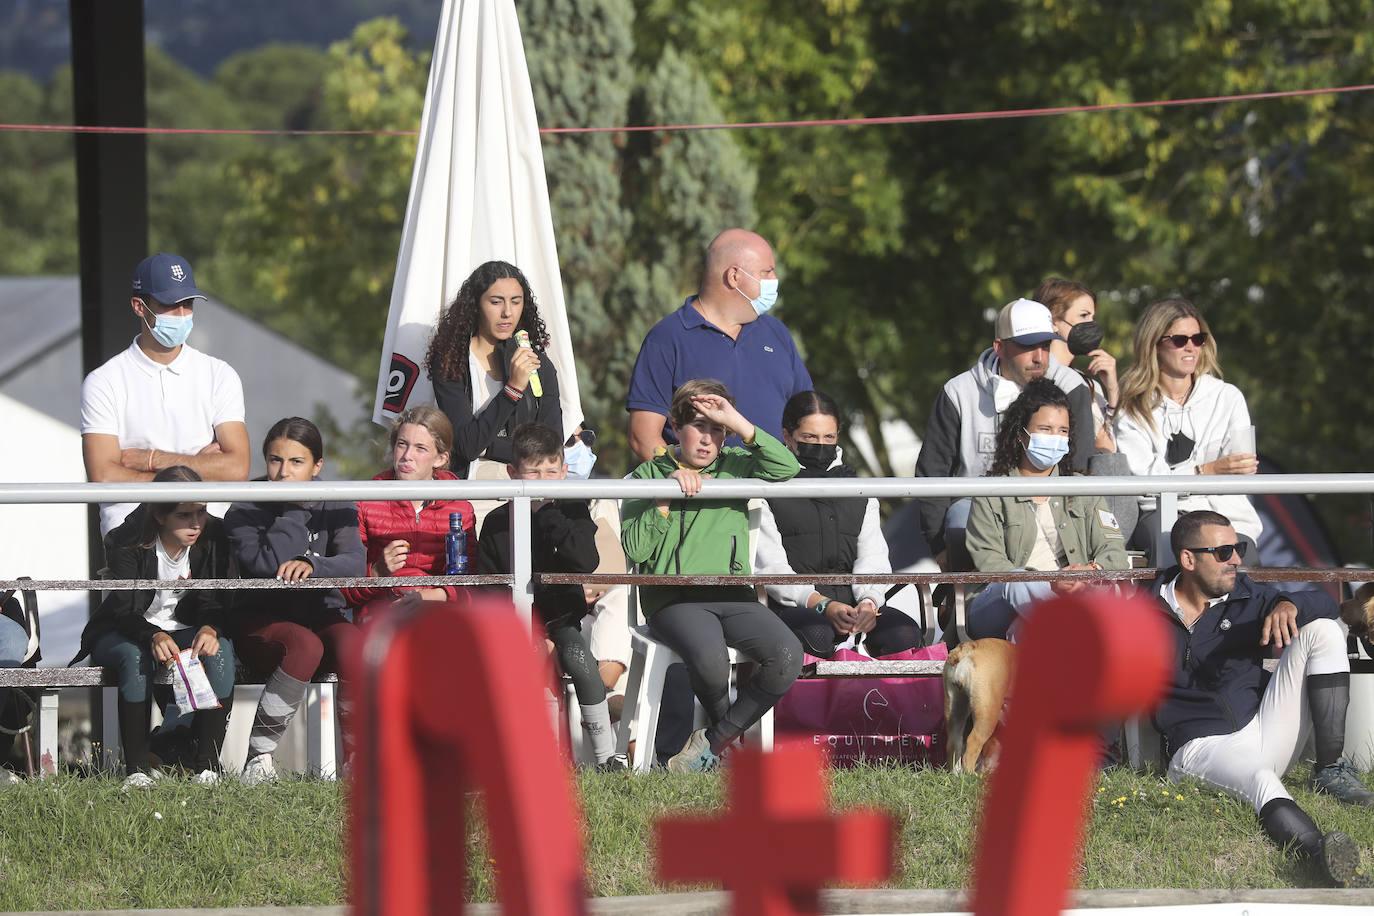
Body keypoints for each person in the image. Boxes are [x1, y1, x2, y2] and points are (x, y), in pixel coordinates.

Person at [1150, 510, 1374, 887]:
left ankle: (1330, 768)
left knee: (1321, 630)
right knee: (1260, 779)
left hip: (1263, 728)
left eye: (1238, 548)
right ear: (1188, 559)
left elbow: (1324, 606)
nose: (1237, 558)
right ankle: (1325, 857)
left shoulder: (1246, 595)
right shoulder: (1143, 608)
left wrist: (1290, 605)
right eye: (1224, 552)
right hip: (1200, 747)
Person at [621, 379, 803, 772]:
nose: (707, 439)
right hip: (673, 598)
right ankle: (726, 752)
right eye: (699, 426)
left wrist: (737, 421)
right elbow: (634, 551)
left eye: (716, 429)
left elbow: (788, 466)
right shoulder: (645, 475)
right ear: (675, 424)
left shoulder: (737, 465)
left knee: (789, 655)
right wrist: (663, 497)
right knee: (711, 662)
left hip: (731, 594)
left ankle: (713, 745)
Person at [70, 466, 236, 785]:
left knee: (221, 651)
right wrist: (152, 634)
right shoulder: (125, 540)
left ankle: (207, 767)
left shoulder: (215, 536)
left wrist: (211, 627)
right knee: (136, 657)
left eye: (201, 512)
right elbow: (123, 611)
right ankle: (136, 770)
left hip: (185, 629)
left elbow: (219, 598)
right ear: (159, 515)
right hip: (124, 630)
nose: (196, 523)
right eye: (184, 515)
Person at [476, 423, 625, 770]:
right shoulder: (498, 522)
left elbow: (585, 561)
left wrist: (547, 514)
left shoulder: (572, 511)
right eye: (533, 472)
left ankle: (605, 758)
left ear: (564, 471)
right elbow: (488, 587)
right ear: (513, 474)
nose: (542, 481)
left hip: (561, 619)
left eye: (550, 472)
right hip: (515, 623)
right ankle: (532, 759)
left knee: (583, 665)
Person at [225, 417, 366, 783]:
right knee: (306, 645)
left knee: (354, 642)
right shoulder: (244, 506)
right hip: (261, 622)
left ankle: (356, 763)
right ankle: (258, 761)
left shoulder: (335, 501)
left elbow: (355, 563)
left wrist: (312, 563)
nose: (283, 472)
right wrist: (294, 508)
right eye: (275, 460)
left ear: (317, 466)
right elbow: (269, 568)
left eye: (296, 462)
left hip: (319, 614)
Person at [914, 298, 1093, 571]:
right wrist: (939, 547)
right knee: (961, 519)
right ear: (1000, 347)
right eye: (1027, 346)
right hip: (976, 508)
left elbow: (1081, 467)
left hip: (1055, 505)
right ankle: (969, 603)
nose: (1040, 358)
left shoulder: (1072, 386)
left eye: (1045, 346)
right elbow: (932, 472)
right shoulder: (959, 391)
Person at [81, 253, 250, 536]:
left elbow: (236, 468)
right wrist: (198, 471)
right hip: (132, 535)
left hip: (207, 531)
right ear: (139, 306)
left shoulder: (220, 374)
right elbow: (104, 475)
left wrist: (151, 459)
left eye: (187, 304)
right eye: (170, 305)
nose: (182, 315)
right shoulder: (104, 381)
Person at [754, 390, 923, 658]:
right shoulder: (766, 490)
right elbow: (771, 569)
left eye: (828, 437)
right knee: (816, 634)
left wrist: (869, 603)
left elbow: (874, 559)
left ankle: (889, 700)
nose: (821, 444)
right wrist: (822, 605)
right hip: (794, 606)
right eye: (810, 437)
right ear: (787, 436)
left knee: (904, 633)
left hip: (854, 602)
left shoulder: (858, 490)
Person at [626, 228, 812, 461]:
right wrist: (684, 482)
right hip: (705, 494)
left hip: (779, 491)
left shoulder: (776, 332)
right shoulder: (667, 337)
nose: (774, 281)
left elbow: (809, 418)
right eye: (767, 272)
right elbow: (642, 436)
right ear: (734, 277)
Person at [963, 379, 1128, 641]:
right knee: (1017, 581)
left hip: (1068, 601)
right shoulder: (991, 492)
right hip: (997, 605)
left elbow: (1114, 551)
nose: (1055, 438)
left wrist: (1090, 572)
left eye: (1062, 431)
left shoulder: (1083, 488)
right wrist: (1051, 583)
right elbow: (991, 566)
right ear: (1021, 433)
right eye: (1045, 429)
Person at [1114, 298, 1262, 560]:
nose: (1191, 347)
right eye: (1179, 340)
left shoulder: (1227, 397)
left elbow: (1240, 473)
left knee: (1243, 565)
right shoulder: (1131, 407)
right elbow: (1147, 486)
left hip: (1226, 514)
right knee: (1168, 543)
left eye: (1198, 338)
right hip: (1165, 516)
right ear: (1155, 345)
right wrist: (1206, 471)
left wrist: (1184, 478)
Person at [426, 260, 563, 479]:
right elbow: (467, 445)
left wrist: (488, 448)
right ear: (476, 305)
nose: (507, 312)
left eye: (516, 302)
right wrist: (513, 390)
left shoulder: (538, 365)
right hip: (470, 490)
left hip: (529, 489)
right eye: (496, 302)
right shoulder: (452, 362)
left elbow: (550, 448)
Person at [342, 406, 477, 625]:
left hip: (439, 618)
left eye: (420, 448)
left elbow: (471, 587)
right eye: (402, 444)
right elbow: (342, 591)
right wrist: (377, 572)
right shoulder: (365, 501)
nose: (406, 456)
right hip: (381, 619)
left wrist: (432, 596)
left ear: (440, 458)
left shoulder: (460, 507)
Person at [1036, 276, 1138, 539]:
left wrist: (1112, 390)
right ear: (1054, 321)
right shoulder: (1033, 377)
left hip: (1100, 494)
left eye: (1093, 316)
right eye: (1083, 315)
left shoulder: (1088, 383)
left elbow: (1110, 446)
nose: (1091, 325)